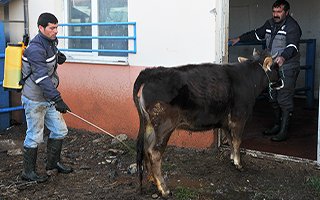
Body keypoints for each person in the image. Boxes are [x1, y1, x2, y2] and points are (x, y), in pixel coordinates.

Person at [229, 0, 302, 142]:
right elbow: (257, 34)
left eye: (279, 12)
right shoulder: (269, 24)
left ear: (286, 12)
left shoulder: (292, 27)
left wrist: (283, 57)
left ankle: (283, 130)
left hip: (287, 67)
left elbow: (293, 46)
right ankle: (277, 125)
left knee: (284, 98)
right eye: (274, 11)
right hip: (271, 68)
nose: (275, 15)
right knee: (272, 97)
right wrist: (239, 39)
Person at [20, 12, 73, 182]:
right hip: (35, 99)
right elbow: (41, 77)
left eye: (57, 27)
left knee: (60, 130)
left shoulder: (50, 42)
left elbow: (50, 57)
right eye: (52, 28)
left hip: (48, 97)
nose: (56, 31)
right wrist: (58, 99)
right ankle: (28, 172)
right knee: (35, 135)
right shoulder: (35, 48)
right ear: (41, 28)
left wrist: (58, 57)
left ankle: (53, 163)